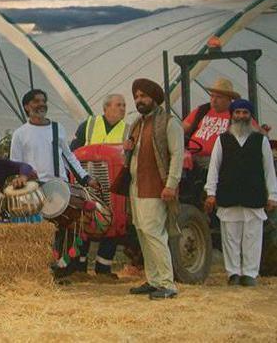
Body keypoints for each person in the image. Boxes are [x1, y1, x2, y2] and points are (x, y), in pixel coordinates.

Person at [10, 89, 99, 279]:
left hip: (59, 186)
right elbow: (15, 164)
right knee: (39, 232)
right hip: (34, 189)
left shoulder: (58, 128)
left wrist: (86, 178)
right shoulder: (20, 134)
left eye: (43, 100)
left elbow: (69, 157)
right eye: (36, 101)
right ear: (27, 106)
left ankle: (61, 270)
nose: (41, 104)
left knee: (63, 229)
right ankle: (40, 270)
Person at [204, 99, 277, 287]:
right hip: (229, 195)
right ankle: (233, 273)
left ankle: (250, 273)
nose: (241, 116)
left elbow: (269, 169)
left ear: (250, 116)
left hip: (253, 195)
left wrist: (272, 196)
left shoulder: (260, 140)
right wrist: (210, 193)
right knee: (230, 236)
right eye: (237, 113)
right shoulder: (222, 140)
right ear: (232, 115)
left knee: (252, 236)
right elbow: (214, 167)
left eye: (245, 113)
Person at [125, 78, 183, 300]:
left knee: (154, 233)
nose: (139, 100)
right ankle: (154, 280)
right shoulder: (137, 124)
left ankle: (168, 284)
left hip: (156, 188)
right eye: (136, 96)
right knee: (142, 233)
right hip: (136, 187)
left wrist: (171, 185)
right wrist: (127, 148)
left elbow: (177, 155)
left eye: (143, 96)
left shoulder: (169, 122)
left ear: (154, 97)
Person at [69, 93, 127, 276]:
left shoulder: (128, 130)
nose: (123, 108)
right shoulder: (89, 125)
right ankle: (80, 268)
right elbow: (72, 152)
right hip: (88, 183)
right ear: (106, 108)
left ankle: (103, 269)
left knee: (112, 222)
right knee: (86, 221)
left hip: (113, 186)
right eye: (118, 105)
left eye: (124, 105)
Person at [182, 77, 239, 161]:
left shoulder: (237, 114)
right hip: (191, 156)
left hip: (218, 160)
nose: (214, 100)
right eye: (212, 96)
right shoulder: (202, 110)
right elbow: (180, 129)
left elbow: (256, 133)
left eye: (219, 97)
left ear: (229, 99)